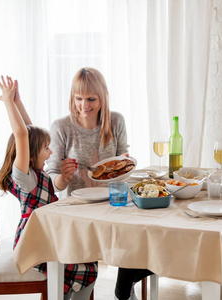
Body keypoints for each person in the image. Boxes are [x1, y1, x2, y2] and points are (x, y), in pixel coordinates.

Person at [45, 67, 151, 300]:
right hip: (78, 210)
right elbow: (54, 183)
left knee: (141, 239)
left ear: (103, 97)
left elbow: (125, 161)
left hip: (113, 204)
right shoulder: (61, 127)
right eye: (78, 98)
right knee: (85, 267)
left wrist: (125, 164)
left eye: (91, 99)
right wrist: (63, 176)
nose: (84, 105)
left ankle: (123, 289)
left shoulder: (116, 121)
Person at [0, 76, 96, 299]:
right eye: (46, 149)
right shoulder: (25, 178)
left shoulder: (36, 170)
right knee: (87, 269)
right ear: (31, 153)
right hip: (34, 243)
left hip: (47, 235)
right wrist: (8, 102)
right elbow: (23, 135)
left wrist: (19, 103)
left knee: (89, 261)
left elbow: (29, 131)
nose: (51, 153)